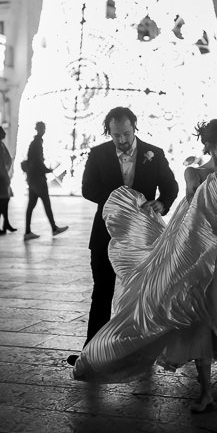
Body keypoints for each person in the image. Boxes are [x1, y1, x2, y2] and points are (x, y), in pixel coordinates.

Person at [72, 119, 217, 413]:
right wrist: (207, 199)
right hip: (196, 252)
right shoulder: (196, 173)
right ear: (210, 146)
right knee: (197, 315)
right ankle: (204, 390)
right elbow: (192, 199)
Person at [67, 107, 178, 366]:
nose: (122, 140)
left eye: (126, 134)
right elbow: (87, 188)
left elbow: (171, 186)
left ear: (134, 127)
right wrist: (120, 202)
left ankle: (144, 349)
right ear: (109, 132)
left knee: (143, 293)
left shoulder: (155, 153)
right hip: (106, 233)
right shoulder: (98, 154)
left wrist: (161, 204)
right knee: (102, 291)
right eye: (116, 135)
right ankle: (91, 353)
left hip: (143, 236)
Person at [22, 121, 68, 241]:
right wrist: (47, 170)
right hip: (38, 179)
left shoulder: (36, 142)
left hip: (33, 178)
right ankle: (54, 228)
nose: (44, 130)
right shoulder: (36, 143)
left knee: (31, 205)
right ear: (38, 129)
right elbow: (37, 161)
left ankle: (28, 231)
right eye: (42, 128)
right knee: (46, 204)